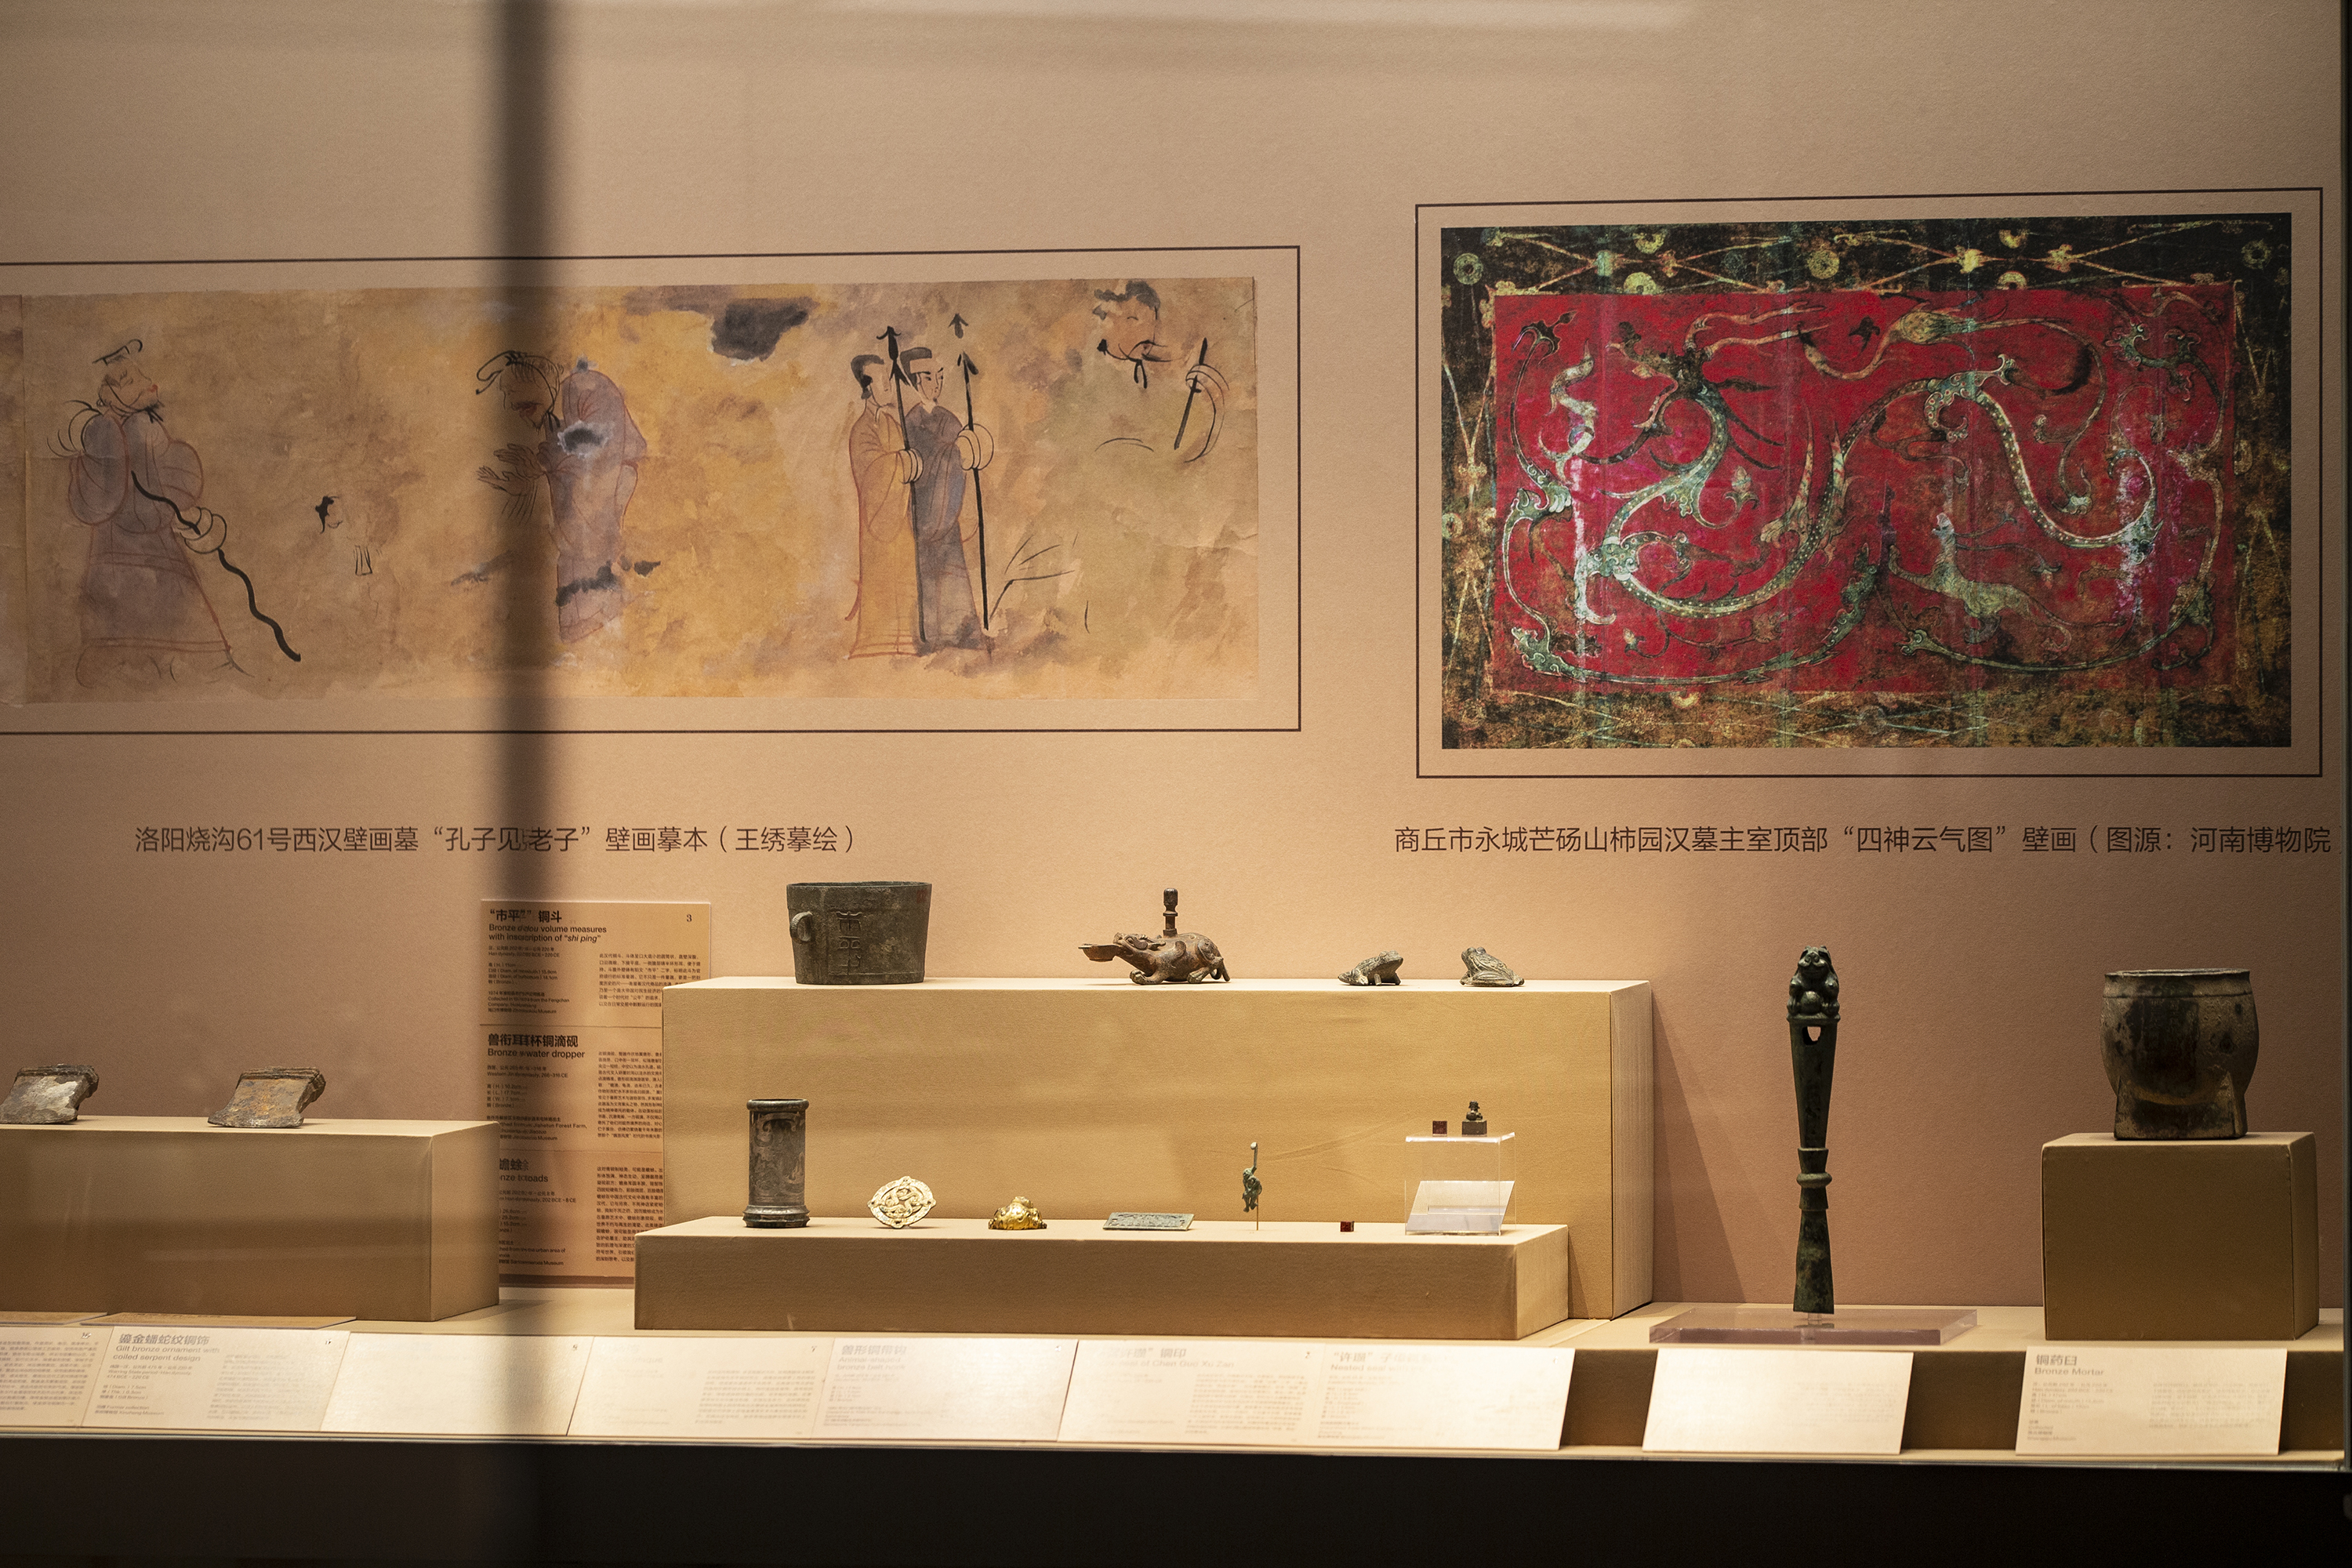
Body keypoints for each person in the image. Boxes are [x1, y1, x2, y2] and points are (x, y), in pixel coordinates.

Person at [62, 346, 237, 686]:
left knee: (190, 647)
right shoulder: (102, 433)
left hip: (162, 549)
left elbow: (176, 477)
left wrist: (182, 510)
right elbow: (99, 501)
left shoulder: (148, 430)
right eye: (130, 380)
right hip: (118, 555)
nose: (147, 383)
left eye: (143, 376)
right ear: (107, 395)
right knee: (118, 652)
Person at [475, 352, 648, 643]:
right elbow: (560, 474)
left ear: (538, 378)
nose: (510, 402)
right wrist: (528, 475)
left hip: (613, 477)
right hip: (590, 494)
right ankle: (584, 625)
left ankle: (598, 616)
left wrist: (546, 464)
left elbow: (599, 451)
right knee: (572, 552)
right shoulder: (551, 420)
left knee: (588, 545)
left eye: (513, 389)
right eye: (506, 395)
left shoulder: (587, 387)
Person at [898, 345, 993, 649]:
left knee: (953, 568)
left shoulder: (950, 420)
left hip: (948, 510)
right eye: (928, 377)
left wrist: (970, 451)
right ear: (915, 382)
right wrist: (954, 453)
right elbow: (920, 463)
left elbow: (961, 459)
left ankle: (963, 630)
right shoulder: (910, 422)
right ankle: (932, 635)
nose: (936, 384)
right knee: (927, 572)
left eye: (939, 376)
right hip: (924, 510)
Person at [844, 352, 924, 657]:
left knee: (905, 575)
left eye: (888, 378)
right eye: (881, 380)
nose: (889, 385)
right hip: (877, 524)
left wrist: (909, 462)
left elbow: (907, 464)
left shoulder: (893, 424)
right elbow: (872, 474)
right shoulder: (861, 431)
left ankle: (907, 640)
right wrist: (902, 462)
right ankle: (876, 641)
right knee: (881, 581)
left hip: (900, 519)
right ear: (867, 387)